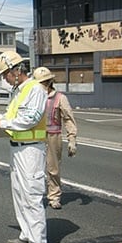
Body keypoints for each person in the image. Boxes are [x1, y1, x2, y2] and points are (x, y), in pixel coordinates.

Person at [0, 51, 48, 243]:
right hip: (17, 148)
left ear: (17, 70)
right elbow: (13, 116)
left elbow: (30, 119)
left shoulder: (36, 89)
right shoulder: (19, 91)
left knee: (31, 195)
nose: (4, 78)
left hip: (31, 149)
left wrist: (1, 123)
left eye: (6, 74)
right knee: (19, 193)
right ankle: (26, 233)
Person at [33, 67, 78, 210]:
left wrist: (72, 140)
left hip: (53, 136)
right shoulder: (34, 97)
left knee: (53, 169)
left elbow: (69, 119)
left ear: (50, 81)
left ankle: (54, 196)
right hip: (35, 136)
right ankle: (35, 197)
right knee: (34, 169)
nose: (43, 84)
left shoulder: (60, 98)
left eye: (45, 82)